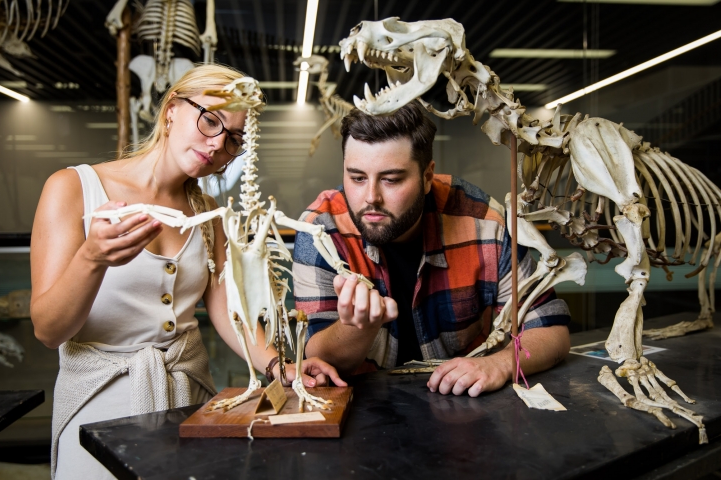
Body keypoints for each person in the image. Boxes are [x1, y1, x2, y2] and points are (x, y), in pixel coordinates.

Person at [30, 64, 345, 480]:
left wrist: (277, 367)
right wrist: (92, 258)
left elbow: (226, 310)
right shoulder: (72, 188)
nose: (217, 144)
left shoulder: (208, 213)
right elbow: (49, 330)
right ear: (172, 110)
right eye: (210, 120)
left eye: (234, 139)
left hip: (190, 401)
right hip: (98, 405)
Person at [292, 102, 571, 397]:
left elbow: (553, 332)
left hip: (467, 410)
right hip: (359, 413)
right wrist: (359, 327)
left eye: (391, 179)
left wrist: (499, 364)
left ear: (427, 177)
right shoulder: (320, 230)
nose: (370, 198)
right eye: (357, 178)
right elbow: (317, 360)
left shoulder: (484, 222)